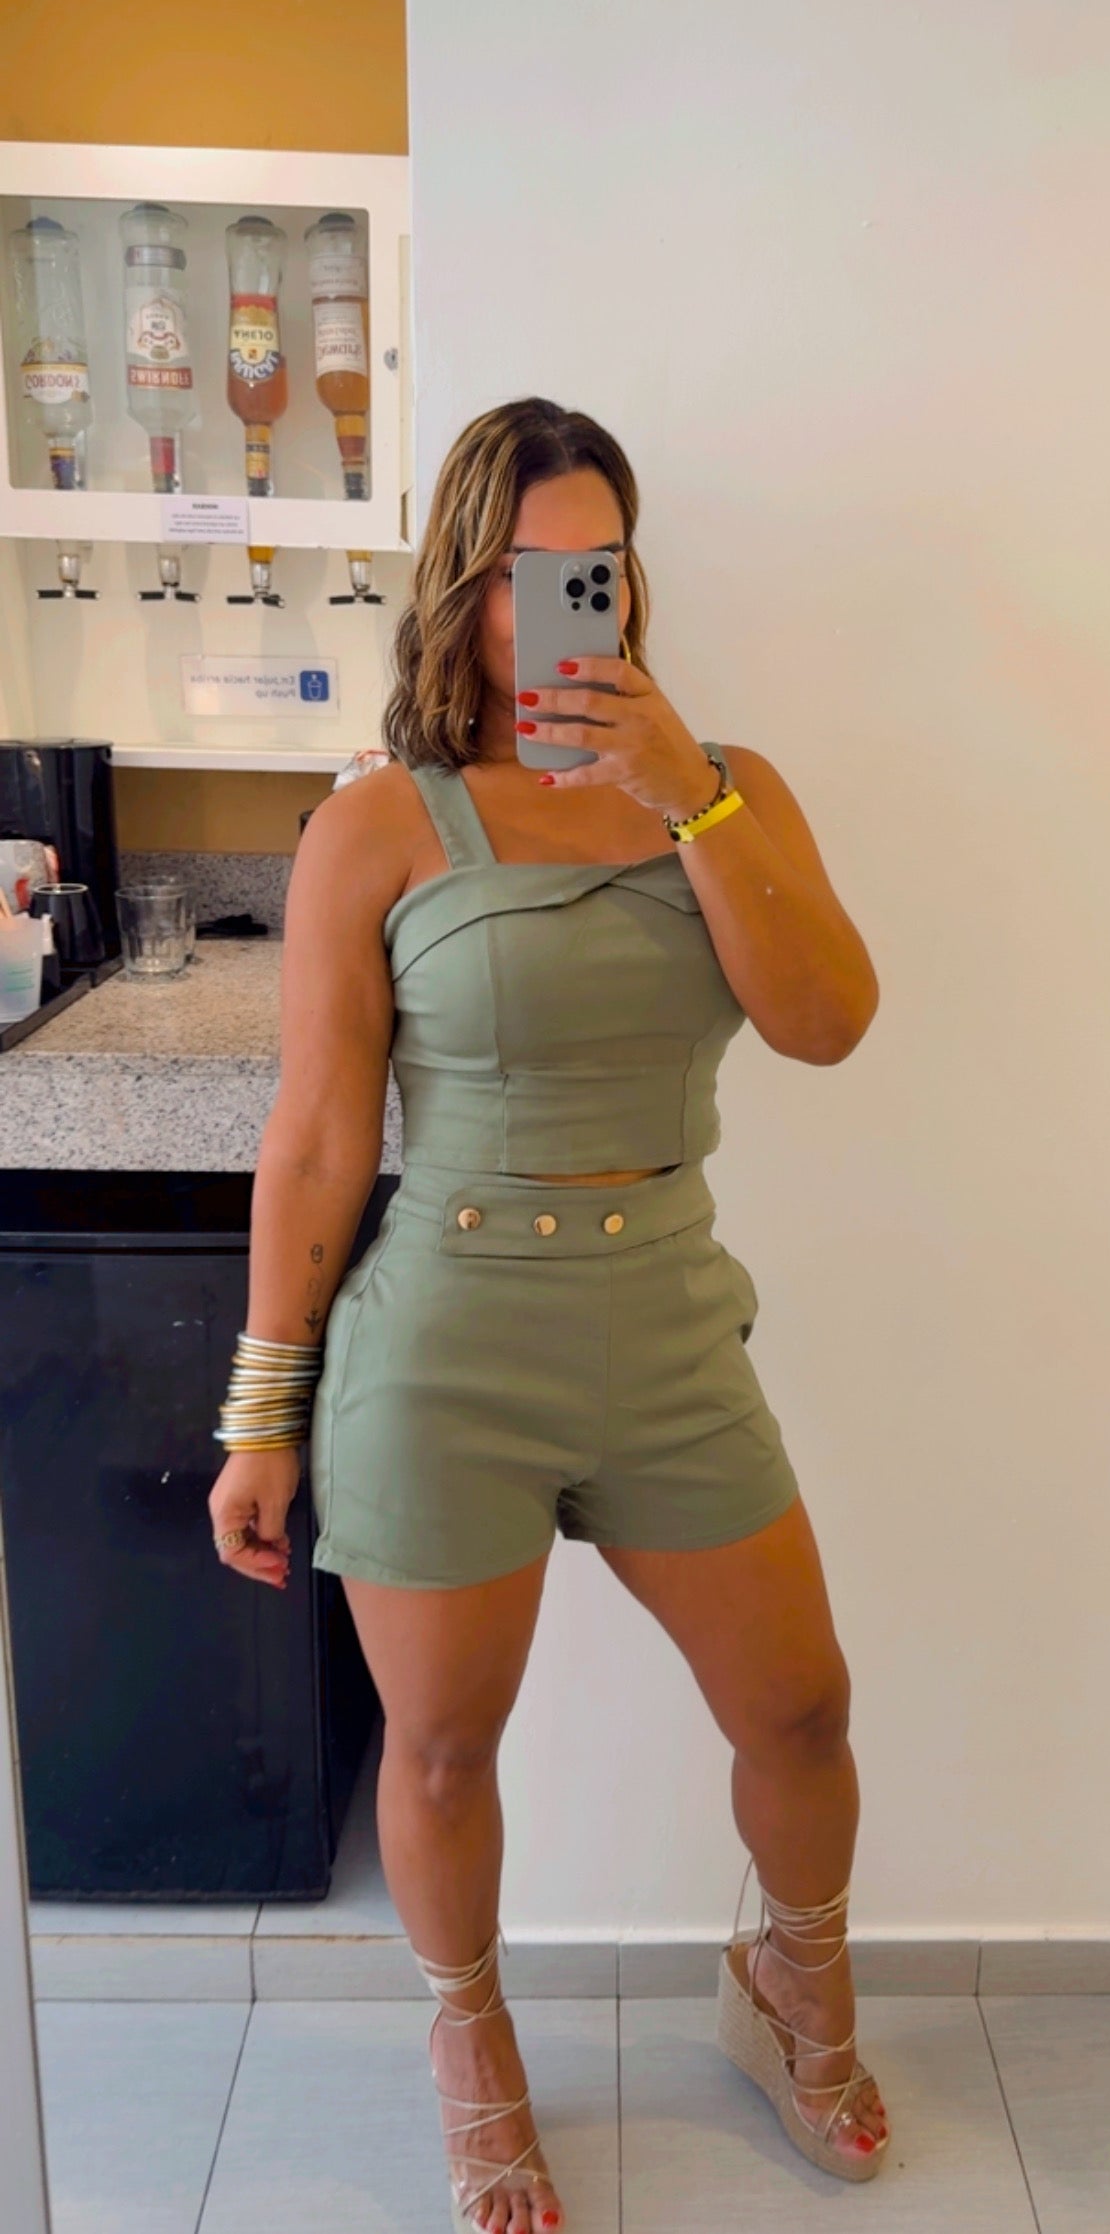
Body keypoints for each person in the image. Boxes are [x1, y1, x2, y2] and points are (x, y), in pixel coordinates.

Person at [207, 397, 887, 2234]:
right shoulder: (375, 824)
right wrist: (260, 1412)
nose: (565, 605)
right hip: (445, 1343)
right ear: (465, 587)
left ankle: (791, 1981)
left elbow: (829, 1021)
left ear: (632, 580)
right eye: (525, 573)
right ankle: (473, 2040)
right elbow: (317, 1137)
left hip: (665, 1320)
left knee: (802, 1707)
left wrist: (692, 796)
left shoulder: (728, 784)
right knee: (439, 1749)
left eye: (597, 565)